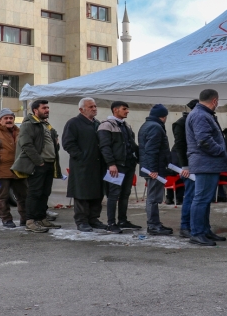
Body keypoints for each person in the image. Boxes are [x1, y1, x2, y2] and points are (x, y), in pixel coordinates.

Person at [12, 100, 63, 233]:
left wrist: (56, 143)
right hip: (39, 164)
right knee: (35, 193)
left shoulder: (45, 125)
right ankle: (30, 221)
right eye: (44, 108)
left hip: (49, 164)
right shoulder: (29, 124)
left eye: (48, 107)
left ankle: (41, 218)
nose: (47, 110)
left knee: (45, 193)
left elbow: (52, 143)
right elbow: (26, 144)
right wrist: (38, 161)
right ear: (35, 110)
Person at [186, 89, 227, 246]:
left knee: (204, 199)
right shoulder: (200, 115)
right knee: (201, 199)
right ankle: (197, 233)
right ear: (215, 101)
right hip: (205, 163)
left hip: (207, 163)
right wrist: (220, 150)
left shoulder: (201, 114)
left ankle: (204, 230)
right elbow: (204, 140)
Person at [62, 97, 107, 232]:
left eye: (95, 106)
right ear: (81, 109)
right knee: (82, 194)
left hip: (97, 165)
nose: (94, 109)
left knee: (97, 193)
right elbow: (68, 143)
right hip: (82, 166)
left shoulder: (97, 124)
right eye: (90, 107)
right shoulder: (73, 123)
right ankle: (81, 221)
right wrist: (81, 157)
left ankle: (93, 219)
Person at [97, 101, 141, 233]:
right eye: (124, 109)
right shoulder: (106, 125)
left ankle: (122, 220)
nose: (127, 111)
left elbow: (131, 144)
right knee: (113, 194)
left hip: (128, 165)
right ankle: (111, 223)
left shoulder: (126, 125)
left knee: (125, 193)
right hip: (116, 166)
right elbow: (104, 146)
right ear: (115, 110)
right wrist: (111, 164)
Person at [0, 108, 28, 229]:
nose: (8, 120)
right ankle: (6, 219)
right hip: (1, 169)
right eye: (6, 118)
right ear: (0, 120)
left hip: (19, 169)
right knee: (2, 197)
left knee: (24, 196)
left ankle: (25, 219)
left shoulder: (19, 131)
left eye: (11, 118)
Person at [138, 104, 173, 236]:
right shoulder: (155, 127)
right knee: (153, 198)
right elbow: (151, 150)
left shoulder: (146, 125)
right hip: (154, 169)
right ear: (163, 116)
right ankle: (153, 225)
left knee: (152, 197)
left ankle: (155, 223)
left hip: (150, 168)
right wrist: (153, 169)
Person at [174, 99, 198, 238]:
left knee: (197, 197)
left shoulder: (191, 121)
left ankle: (196, 226)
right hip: (191, 165)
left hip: (198, 164)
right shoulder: (182, 123)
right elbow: (180, 145)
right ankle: (185, 226)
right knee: (191, 195)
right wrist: (185, 166)